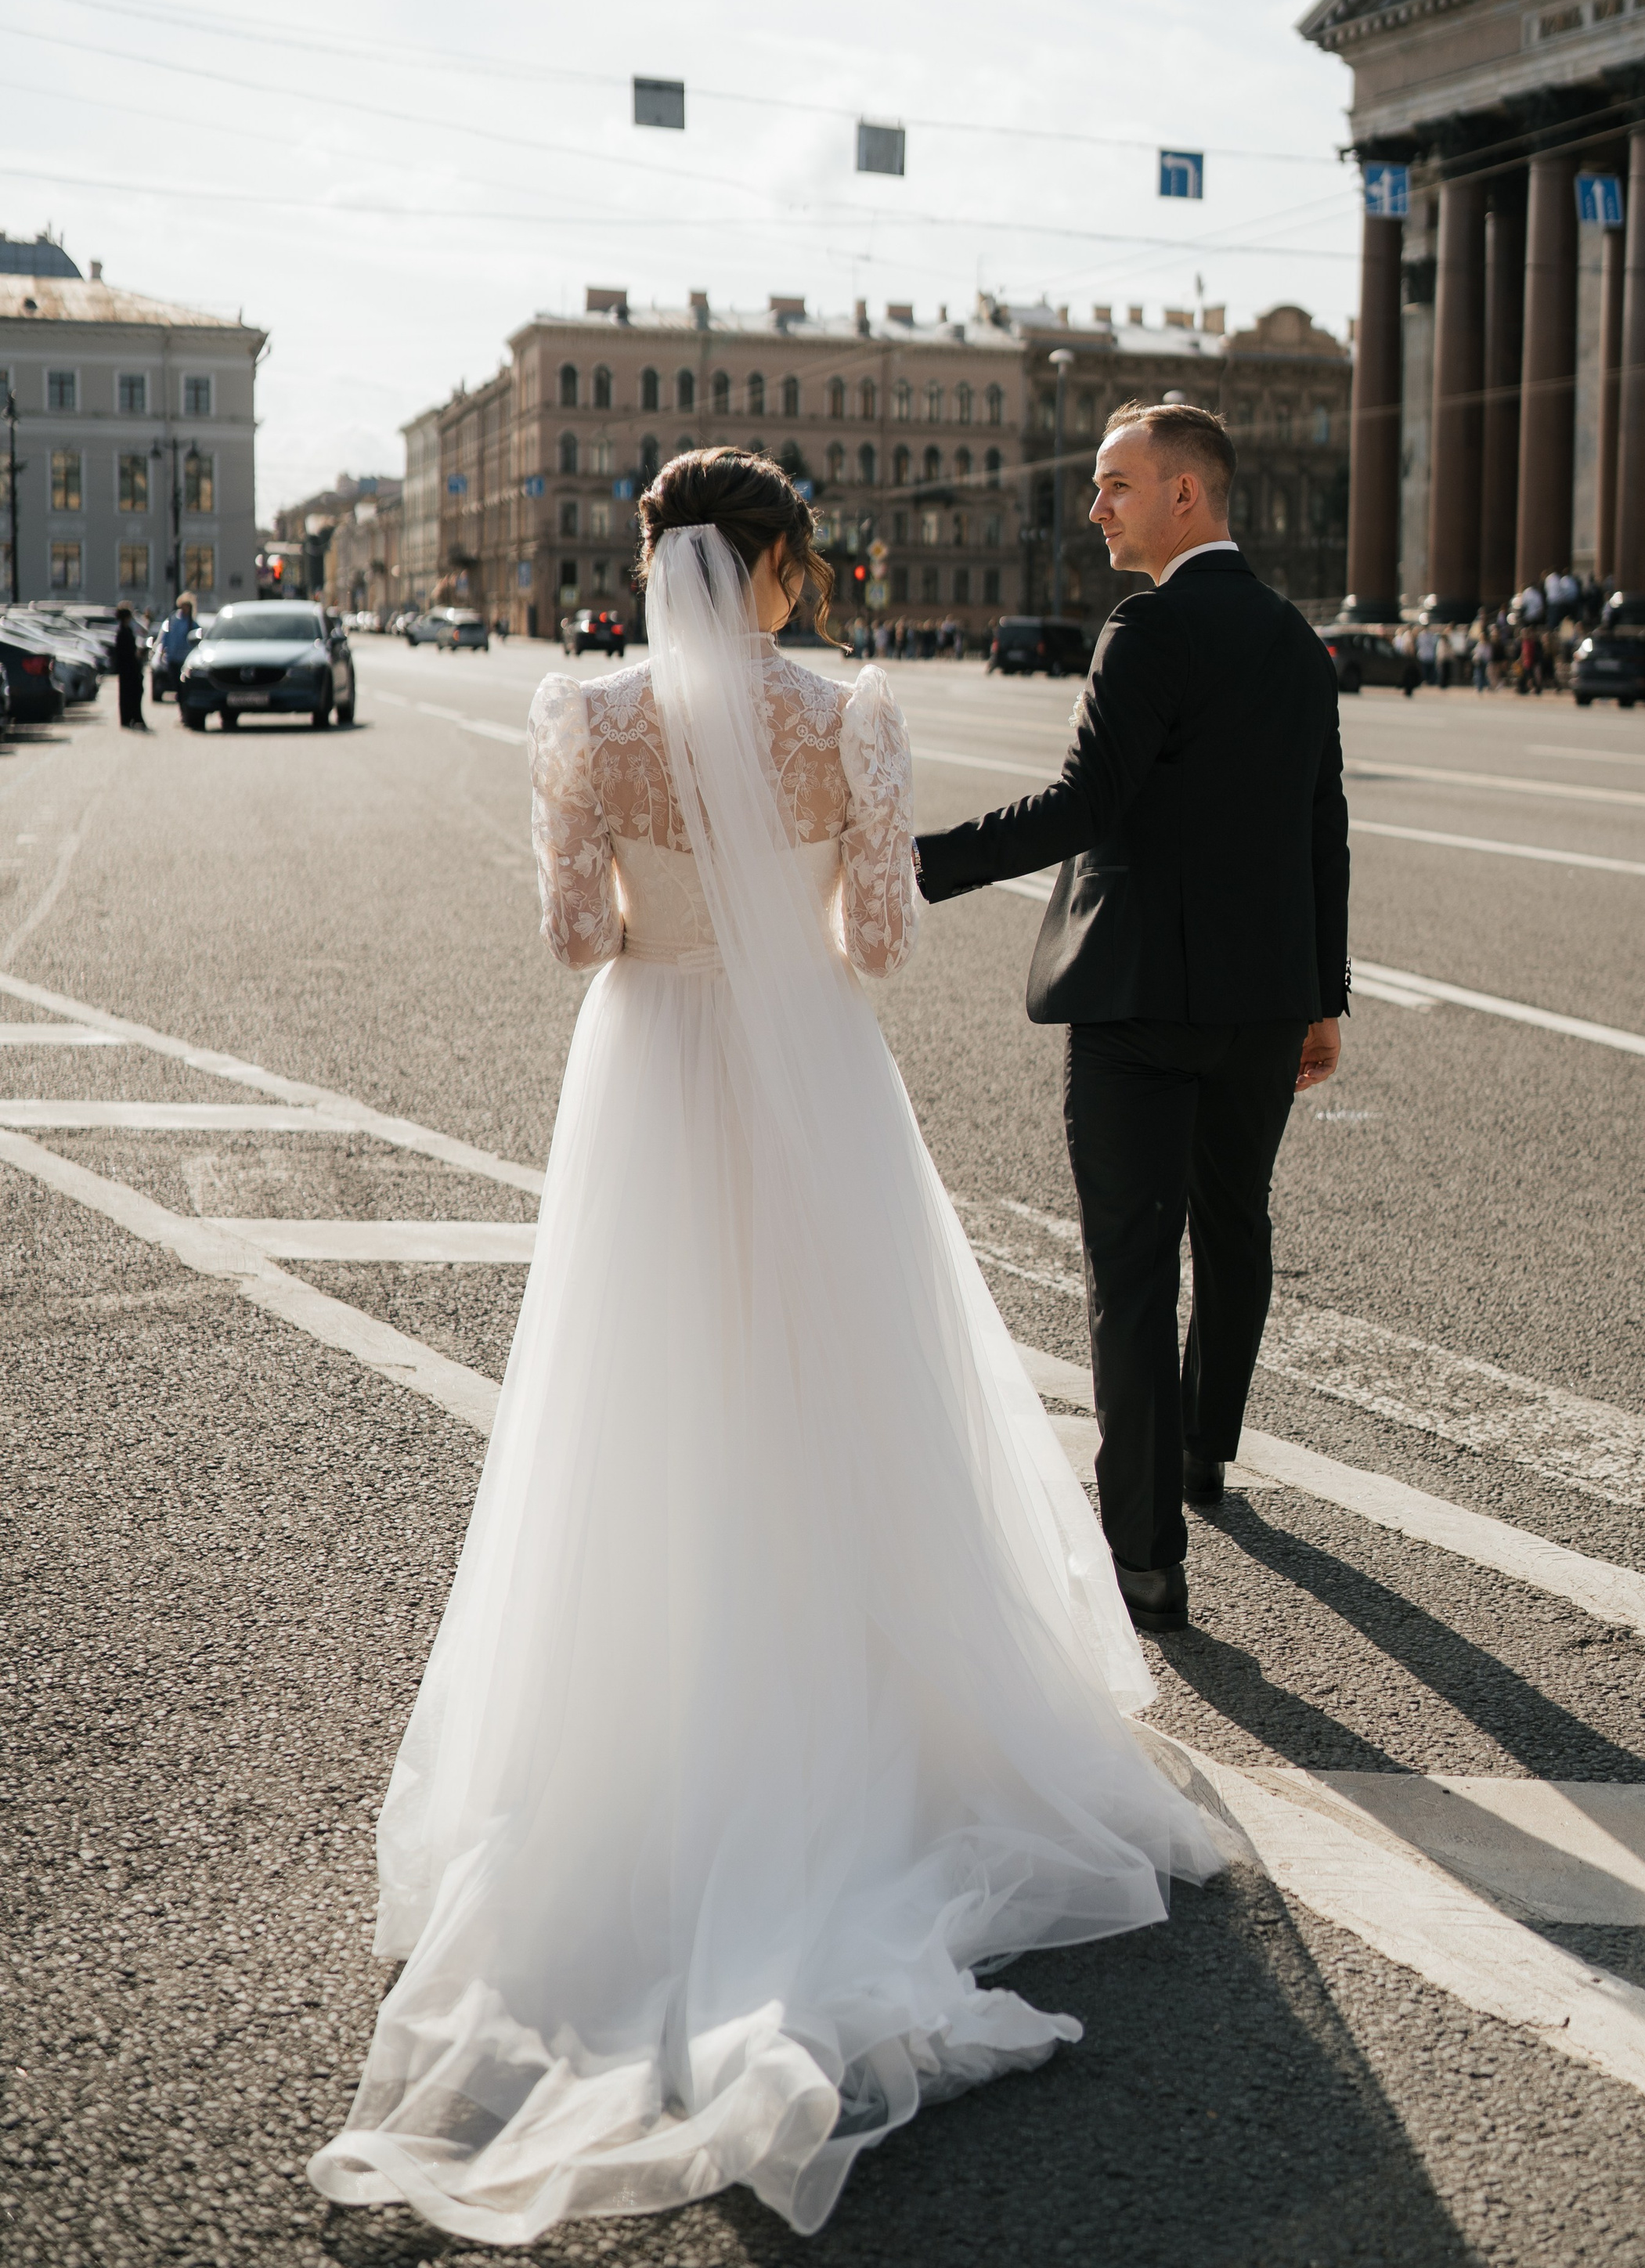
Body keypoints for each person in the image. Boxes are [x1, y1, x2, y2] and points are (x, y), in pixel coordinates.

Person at [305, 448, 1222, 2247]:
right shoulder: (851, 717)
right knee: (840, 1400)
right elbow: (873, 940)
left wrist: (671, 911)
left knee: (642, 1410)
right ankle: (865, 1716)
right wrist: (784, 906)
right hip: (809, 1080)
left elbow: (579, 934)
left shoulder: (583, 712)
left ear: (654, 559)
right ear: (787, 565)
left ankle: (645, 1742)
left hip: (649, 1078)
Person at [912, 402, 1348, 1637]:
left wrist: (914, 866)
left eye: (1115, 486)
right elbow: (1325, 825)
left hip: (1141, 1001)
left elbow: (1084, 804)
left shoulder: (1147, 627)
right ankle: (1207, 1451)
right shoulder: (1290, 637)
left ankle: (1146, 1558)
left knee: (1133, 1273)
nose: (1095, 506)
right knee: (1237, 1225)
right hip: (1265, 1003)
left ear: (1186, 499)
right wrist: (1325, 996)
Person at [156, 593, 199, 698]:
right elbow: (166, 636)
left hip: (185, 658)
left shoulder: (192, 623)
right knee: (175, 682)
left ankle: (183, 702)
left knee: (184, 684)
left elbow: (196, 638)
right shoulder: (173, 618)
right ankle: (181, 699)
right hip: (173, 657)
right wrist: (162, 650)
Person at [112, 600, 146, 730]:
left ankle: (131, 718)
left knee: (130, 694)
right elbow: (126, 653)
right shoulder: (123, 632)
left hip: (128, 668)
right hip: (129, 669)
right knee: (130, 694)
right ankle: (131, 717)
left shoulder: (125, 631)